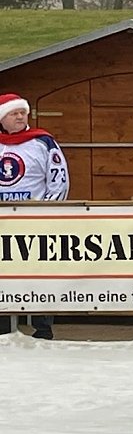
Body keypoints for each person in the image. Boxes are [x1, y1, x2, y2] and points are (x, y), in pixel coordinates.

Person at [0, 93, 69, 340]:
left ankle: (42, 326)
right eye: (13, 113)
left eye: (22, 112)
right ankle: (4, 326)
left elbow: (58, 179)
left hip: (35, 220)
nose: (20, 117)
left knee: (39, 271)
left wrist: (47, 212)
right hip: (2, 223)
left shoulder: (43, 142)